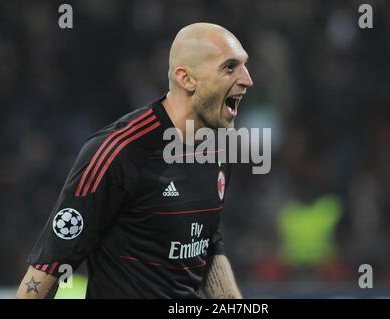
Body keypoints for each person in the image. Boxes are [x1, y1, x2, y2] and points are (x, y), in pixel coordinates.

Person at [16, 22, 253, 299]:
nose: (247, 79)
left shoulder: (218, 146)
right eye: (229, 67)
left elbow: (207, 245)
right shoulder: (118, 151)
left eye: (244, 65)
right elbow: (48, 267)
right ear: (186, 78)